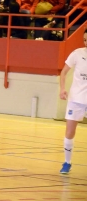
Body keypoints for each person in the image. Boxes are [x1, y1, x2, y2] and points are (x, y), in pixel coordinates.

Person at [59, 29, 87, 174]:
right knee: (70, 131)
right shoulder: (77, 54)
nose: (86, 42)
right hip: (76, 99)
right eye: (85, 40)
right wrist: (62, 89)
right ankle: (67, 162)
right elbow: (63, 72)